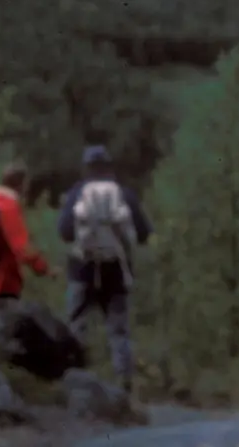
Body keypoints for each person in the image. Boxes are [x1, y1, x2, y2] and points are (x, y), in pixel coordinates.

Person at [57, 145, 152, 395]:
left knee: (76, 324)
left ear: (86, 168)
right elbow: (143, 232)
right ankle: (124, 382)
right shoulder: (124, 194)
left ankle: (74, 381)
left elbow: (65, 232)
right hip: (117, 271)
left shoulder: (77, 193)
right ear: (108, 167)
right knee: (118, 330)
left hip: (82, 269)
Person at [0, 161, 54, 305]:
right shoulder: (8, 207)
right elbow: (21, 247)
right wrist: (43, 268)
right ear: (21, 184)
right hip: (3, 281)